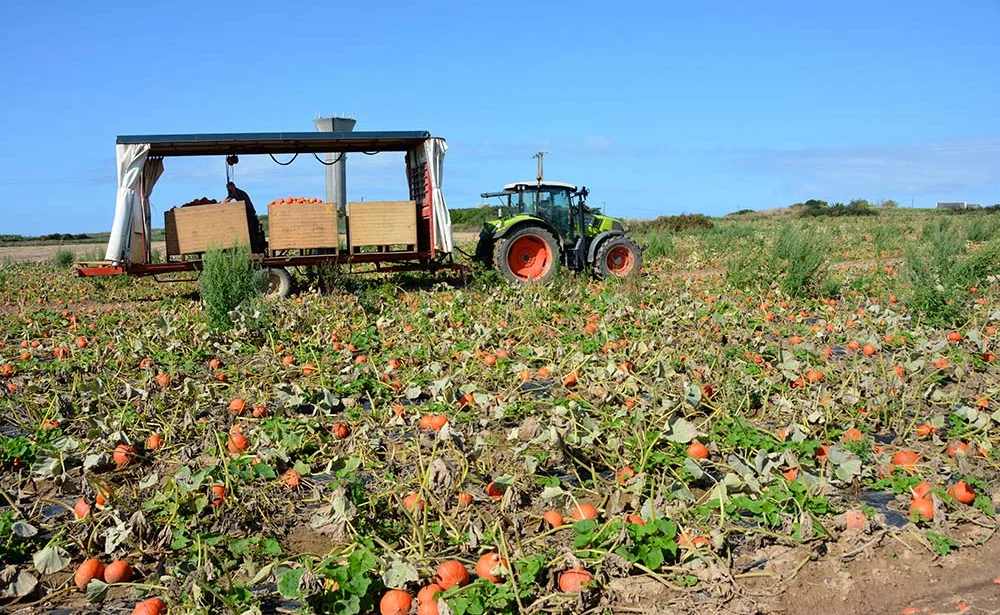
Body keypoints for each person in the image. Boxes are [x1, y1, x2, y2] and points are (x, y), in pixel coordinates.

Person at [221, 182, 267, 253]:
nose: (228, 190)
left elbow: (228, 199)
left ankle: (253, 250)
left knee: (250, 232)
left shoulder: (238, 192)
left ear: (233, 187)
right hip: (247, 213)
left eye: (229, 189)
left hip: (250, 214)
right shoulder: (235, 192)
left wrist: (221, 204)